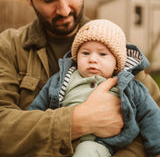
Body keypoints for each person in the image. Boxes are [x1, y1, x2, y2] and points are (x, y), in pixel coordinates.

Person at [0, 0, 159, 157]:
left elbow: (153, 120)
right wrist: (80, 120)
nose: (64, 9)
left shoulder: (113, 44)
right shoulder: (8, 48)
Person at [28, 19, 160, 157]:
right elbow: (37, 108)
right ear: (76, 56)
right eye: (85, 53)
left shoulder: (128, 85)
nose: (92, 59)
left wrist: (157, 149)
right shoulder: (62, 79)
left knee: (86, 151)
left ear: (116, 63)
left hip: (98, 144)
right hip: (62, 140)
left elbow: (150, 114)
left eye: (102, 54)